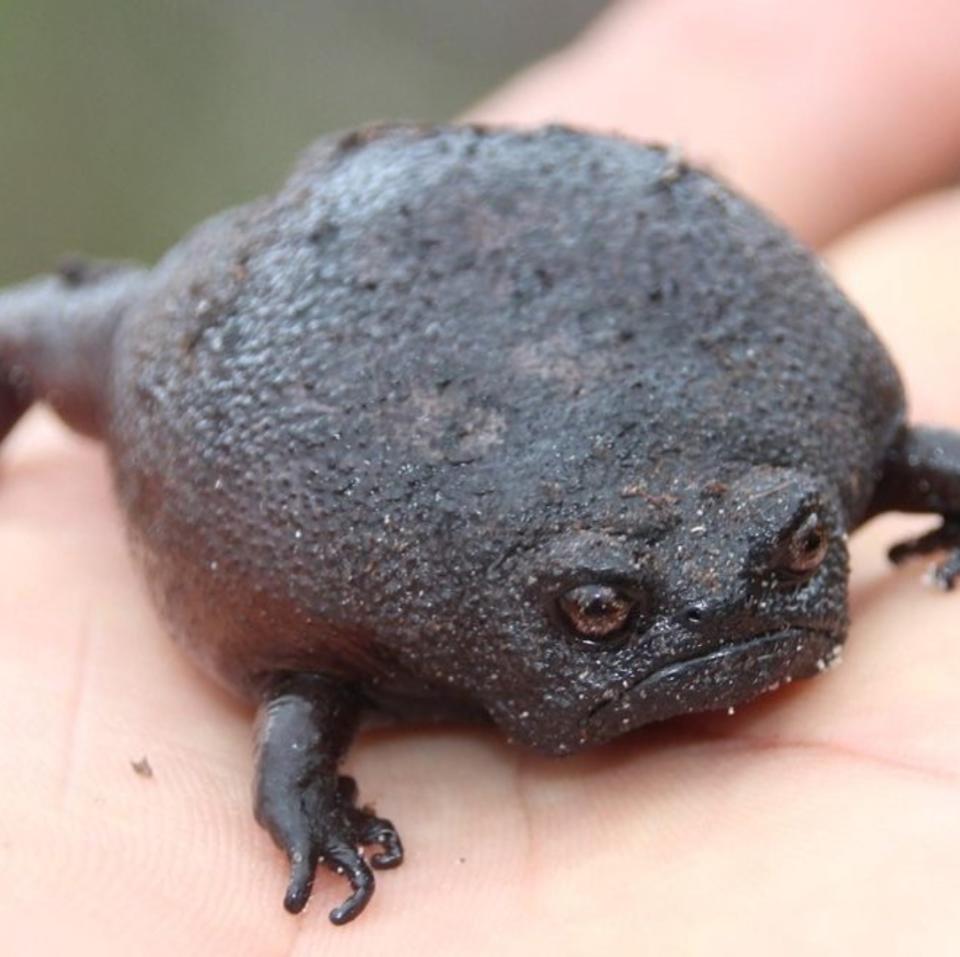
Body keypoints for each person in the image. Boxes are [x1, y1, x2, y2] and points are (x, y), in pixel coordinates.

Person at [4, 0, 959, 951]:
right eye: (603, 611)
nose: (717, 608)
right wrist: (309, 815)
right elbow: (295, 725)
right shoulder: (349, 603)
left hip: (565, 241)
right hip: (241, 320)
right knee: (44, 335)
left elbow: (911, 455)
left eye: (794, 551)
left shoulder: (822, 430)